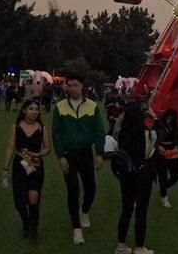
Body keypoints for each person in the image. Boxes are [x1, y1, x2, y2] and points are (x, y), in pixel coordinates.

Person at [51, 73, 106, 245]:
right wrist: (60, 156)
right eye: (69, 85)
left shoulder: (92, 106)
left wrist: (99, 153)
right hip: (68, 154)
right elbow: (56, 134)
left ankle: (84, 211)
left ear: (82, 86)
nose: (72, 88)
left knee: (90, 188)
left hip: (85, 153)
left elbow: (99, 131)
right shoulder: (59, 107)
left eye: (75, 85)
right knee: (73, 190)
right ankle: (76, 229)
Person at [3, 99, 51, 241]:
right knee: (19, 202)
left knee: (33, 199)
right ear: (24, 110)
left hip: (36, 166)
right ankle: (26, 222)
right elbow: (10, 147)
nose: (34, 111)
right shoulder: (16, 126)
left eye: (36, 109)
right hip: (19, 166)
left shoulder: (42, 128)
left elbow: (48, 148)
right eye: (31, 108)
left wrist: (38, 154)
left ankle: (33, 228)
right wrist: (5, 167)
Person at [114, 101, 156, 254]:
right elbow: (149, 151)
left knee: (126, 209)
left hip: (126, 174)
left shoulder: (124, 131)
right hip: (143, 174)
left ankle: (121, 245)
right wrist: (154, 119)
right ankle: (139, 247)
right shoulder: (144, 132)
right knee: (141, 211)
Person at [155, 108, 178, 208]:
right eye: (168, 118)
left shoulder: (176, 127)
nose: (169, 121)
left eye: (171, 119)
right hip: (160, 152)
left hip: (172, 152)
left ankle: (163, 188)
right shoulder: (158, 125)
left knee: (175, 176)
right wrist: (158, 146)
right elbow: (153, 137)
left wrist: (177, 147)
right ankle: (164, 197)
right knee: (162, 175)